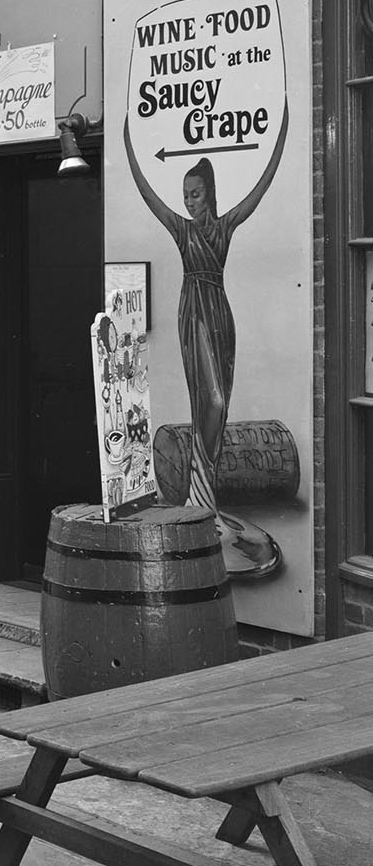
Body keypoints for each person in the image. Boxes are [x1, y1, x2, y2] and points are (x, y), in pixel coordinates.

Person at [125, 117, 289, 581]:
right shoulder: (182, 231)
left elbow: (261, 187)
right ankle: (200, 501)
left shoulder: (224, 227)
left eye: (195, 194)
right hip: (193, 312)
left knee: (222, 402)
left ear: (209, 194)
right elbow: (148, 196)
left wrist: (278, 140)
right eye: (185, 195)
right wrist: (129, 150)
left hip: (220, 313)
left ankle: (206, 503)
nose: (188, 201)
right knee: (208, 402)